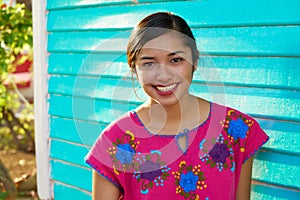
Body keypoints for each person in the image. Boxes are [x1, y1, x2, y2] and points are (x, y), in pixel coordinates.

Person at [85, 12, 269, 200]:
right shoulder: (115, 142)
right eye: (148, 63)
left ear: (195, 60)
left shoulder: (236, 129)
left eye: (176, 60)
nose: (163, 76)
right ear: (134, 68)